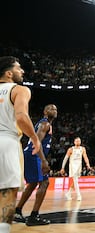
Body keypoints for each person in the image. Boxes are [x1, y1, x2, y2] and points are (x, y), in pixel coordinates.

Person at [0, 56, 41, 233]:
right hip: (6, 141)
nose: (22, 71)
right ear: (9, 73)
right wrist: (34, 137)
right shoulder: (19, 89)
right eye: (18, 68)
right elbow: (21, 117)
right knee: (8, 191)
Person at [14, 104, 57, 226]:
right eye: (51, 108)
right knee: (45, 182)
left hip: (30, 155)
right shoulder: (45, 124)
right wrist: (44, 161)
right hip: (34, 155)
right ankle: (34, 215)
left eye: (55, 109)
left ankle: (17, 211)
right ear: (45, 111)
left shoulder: (45, 124)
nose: (54, 110)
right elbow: (36, 142)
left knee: (33, 183)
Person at [60, 137, 91, 201]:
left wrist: (88, 164)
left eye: (79, 141)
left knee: (75, 182)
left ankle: (68, 193)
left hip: (79, 166)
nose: (78, 142)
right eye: (77, 141)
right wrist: (62, 167)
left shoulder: (82, 149)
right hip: (72, 166)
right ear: (74, 142)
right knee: (76, 181)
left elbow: (85, 157)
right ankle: (79, 195)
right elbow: (65, 159)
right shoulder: (71, 149)